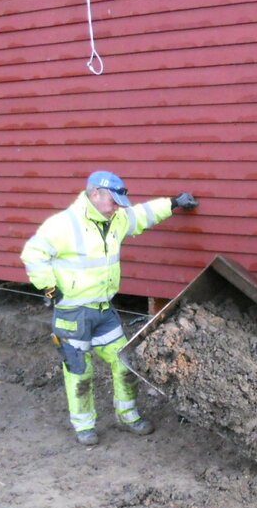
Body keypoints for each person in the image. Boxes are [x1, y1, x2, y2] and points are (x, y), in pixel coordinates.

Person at [21, 170, 198, 445]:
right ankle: (84, 427)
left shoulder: (115, 218)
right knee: (79, 370)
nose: (117, 207)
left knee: (125, 361)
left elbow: (142, 215)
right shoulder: (63, 225)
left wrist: (173, 203)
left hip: (104, 310)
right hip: (72, 313)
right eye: (112, 201)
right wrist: (49, 288)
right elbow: (33, 254)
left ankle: (126, 415)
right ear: (95, 194)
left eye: (118, 202)